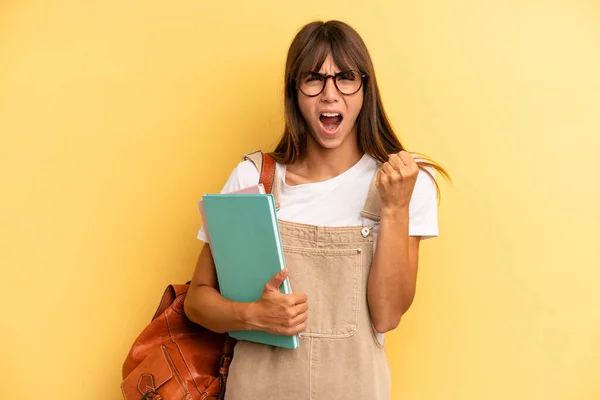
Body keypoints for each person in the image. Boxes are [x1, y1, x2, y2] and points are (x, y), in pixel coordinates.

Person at [184, 19, 449, 400]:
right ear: (295, 90)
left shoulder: (403, 182)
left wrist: (394, 208)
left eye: (345, 77)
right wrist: (253, 316)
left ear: (364, 89)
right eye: (314, 78)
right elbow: (197, 300)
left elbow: (388, 315)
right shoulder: (255, 178)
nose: (330, 94)